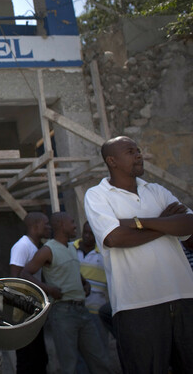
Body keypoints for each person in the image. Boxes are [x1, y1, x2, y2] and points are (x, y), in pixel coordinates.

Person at [84, 135, 193, 374]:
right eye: (131, 151)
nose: (139, 155)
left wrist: (139, 223)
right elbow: (115, 238)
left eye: (139, 150)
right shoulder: (97, 195)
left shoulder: (156, 190)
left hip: (184, 298)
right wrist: (166, 224)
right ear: (112, 161)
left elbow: (190, 225)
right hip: (136, 305)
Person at [21, 212, 111, 374]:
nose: (75, 226)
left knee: (99, 359)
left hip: (82, 310)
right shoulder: (48, 250)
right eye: (72, 222)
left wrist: (84, 283)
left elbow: (73, 269)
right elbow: (25, 274)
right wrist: (49, 289)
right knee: (69, 363)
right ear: (62, 225)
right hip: (63, 312)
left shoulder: (71, 247)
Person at [9, 212, 50, 374]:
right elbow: (14, 278)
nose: (49, 227)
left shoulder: (35, 247)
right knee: (27, 358)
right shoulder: (22, 246)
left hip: (34, 310)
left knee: (39, 357)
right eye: (45, 224)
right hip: (24, 312)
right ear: (35, 226)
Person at [72, 221, 108, 315]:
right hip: (73, 304)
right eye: (85, 232)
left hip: (97, 304)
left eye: (91, 233)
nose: (87, 236)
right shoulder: (70, 248)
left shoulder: (104, 253)